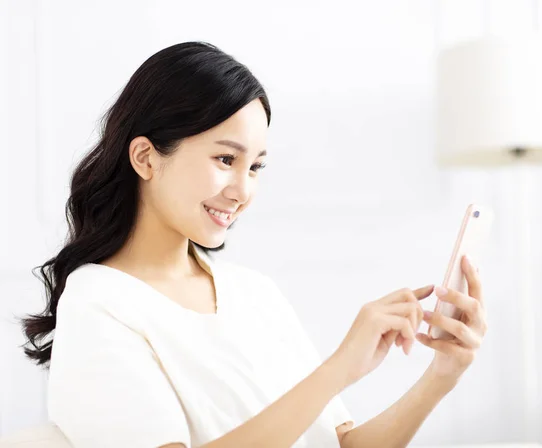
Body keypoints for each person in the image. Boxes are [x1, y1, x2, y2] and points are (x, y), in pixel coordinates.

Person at [21, 41, 488, 448]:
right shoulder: (99, 303)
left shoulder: (253, 292)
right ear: (145, 157)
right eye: (226, 159)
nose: (243, 191)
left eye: (256, 167)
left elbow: (344, 444)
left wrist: (441, 377)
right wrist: (338, 369)